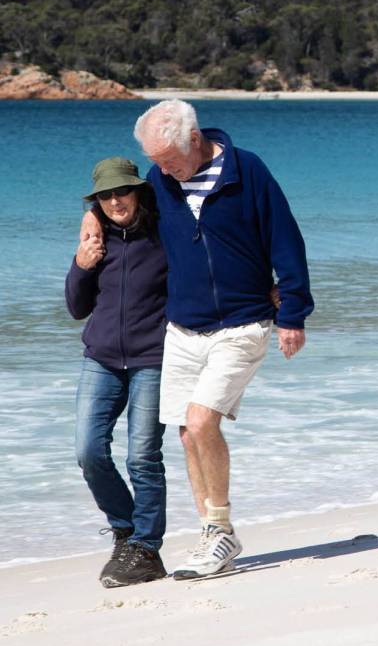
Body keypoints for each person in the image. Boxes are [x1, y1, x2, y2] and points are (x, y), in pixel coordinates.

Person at [85, 98, 315, 579]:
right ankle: (213, 535)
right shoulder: (160, 180)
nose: (162, 170)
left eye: (168, 159)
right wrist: (91, 221)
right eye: (156, 160)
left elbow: (285, 240)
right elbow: (128, 223)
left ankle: (222, 529)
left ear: (193, 140)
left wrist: (293, 310)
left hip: (243, 322)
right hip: (183, 328)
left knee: (201, 420)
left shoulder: (246, 170)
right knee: (188, 433)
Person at [66, 157, 169, 587]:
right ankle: (125, 531)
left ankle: (146, 549)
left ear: (138, 191)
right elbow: (76, 308)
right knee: (88, 451)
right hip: (101, 359)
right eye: (104, 196)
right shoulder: (97, 240)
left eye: (121, 191)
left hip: (154, 358)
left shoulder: (164, 233)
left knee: (142, 457)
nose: (114, 201)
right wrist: (81, 265)